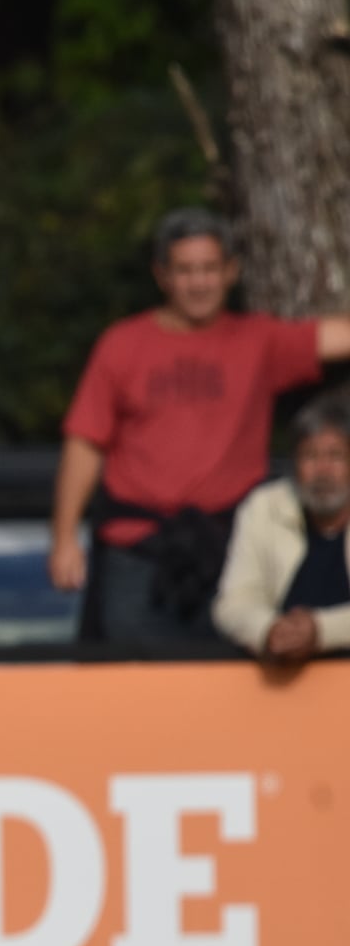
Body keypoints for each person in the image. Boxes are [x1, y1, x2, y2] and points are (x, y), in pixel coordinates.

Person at [51, 206, 350, 643]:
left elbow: (336, 336)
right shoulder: (123, 345)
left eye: (210, 269)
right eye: (186, 270)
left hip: (228, 552)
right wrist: (63, 537)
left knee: (229, 682)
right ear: (162, 276)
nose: (199, 282)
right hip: (137, 549)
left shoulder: (257, 341)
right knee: (131, 682)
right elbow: (85, 443)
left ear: (231, 271)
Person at [212, 394, 350, 665]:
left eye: (335, 456)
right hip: (280, 678)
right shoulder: (263, 508)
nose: (323, 470)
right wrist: (268, 631)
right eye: (310, 456)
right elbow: (233, 602)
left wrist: (319, 631)